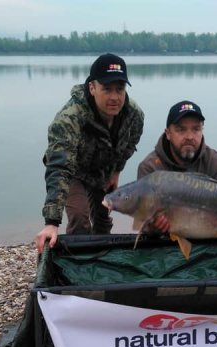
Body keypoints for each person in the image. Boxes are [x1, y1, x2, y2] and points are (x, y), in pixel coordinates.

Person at [35, 53, 145, 253]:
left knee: (103, 216)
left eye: (120, 89)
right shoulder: (69, 118)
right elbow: (59, 167)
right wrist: (51, 222)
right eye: (107, 89)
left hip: (102, 170)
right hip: (73, 172)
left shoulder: (134, 115)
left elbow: (130, 144)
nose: (114, 97)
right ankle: (79, 263)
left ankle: (102, 258)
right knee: (79, 218)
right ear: (92, 87)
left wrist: (116, 171)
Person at [137, 100, 217, 240]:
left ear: (202, 130)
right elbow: (143, 221)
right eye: (181, 129)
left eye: (196, 129)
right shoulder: (150, 168)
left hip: (209, 236)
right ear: (168, 133)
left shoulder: (215, 162)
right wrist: (153, 227)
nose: (189, 137)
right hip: (164, 242)